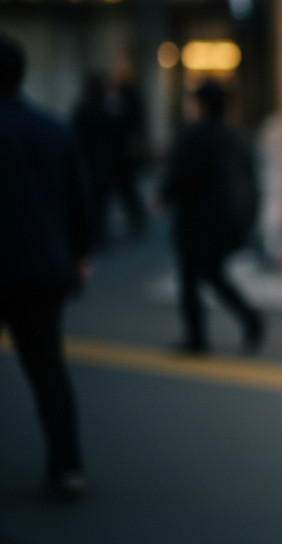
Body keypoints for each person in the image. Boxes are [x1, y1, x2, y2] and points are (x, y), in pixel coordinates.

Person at [0, 34, 90, 500]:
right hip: (44, 268)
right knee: (48, 369)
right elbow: (79, 199)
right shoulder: (53, 128)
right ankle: (67, 466)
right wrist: (80, 255)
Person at [160, 80, 265, 355]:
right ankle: (249, 318)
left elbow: (181, 175)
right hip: (231, 218)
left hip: (198, 218)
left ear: (201, 105)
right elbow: (252, 178)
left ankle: (197, 337)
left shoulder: (192, 135)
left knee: (191, 277)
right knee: (211, 273)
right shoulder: (239, 135)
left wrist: (163, 197)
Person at [71, 73, 116, 248]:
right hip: (105, 164)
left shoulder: (83, 110)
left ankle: (92, 235)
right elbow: (115, 138)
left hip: (88, 163)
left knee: (89, 203)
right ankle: (100, 234)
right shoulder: (106, 111)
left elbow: (75, 137)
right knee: (103, 203)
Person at [106, 56, 149, 237]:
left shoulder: (130, 94)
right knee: (123, 188)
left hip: (125, 151)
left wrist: (134, 143)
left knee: (127, 188)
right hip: (115, 150)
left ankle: (137, 220)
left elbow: (136, 122)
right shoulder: (114, 95)